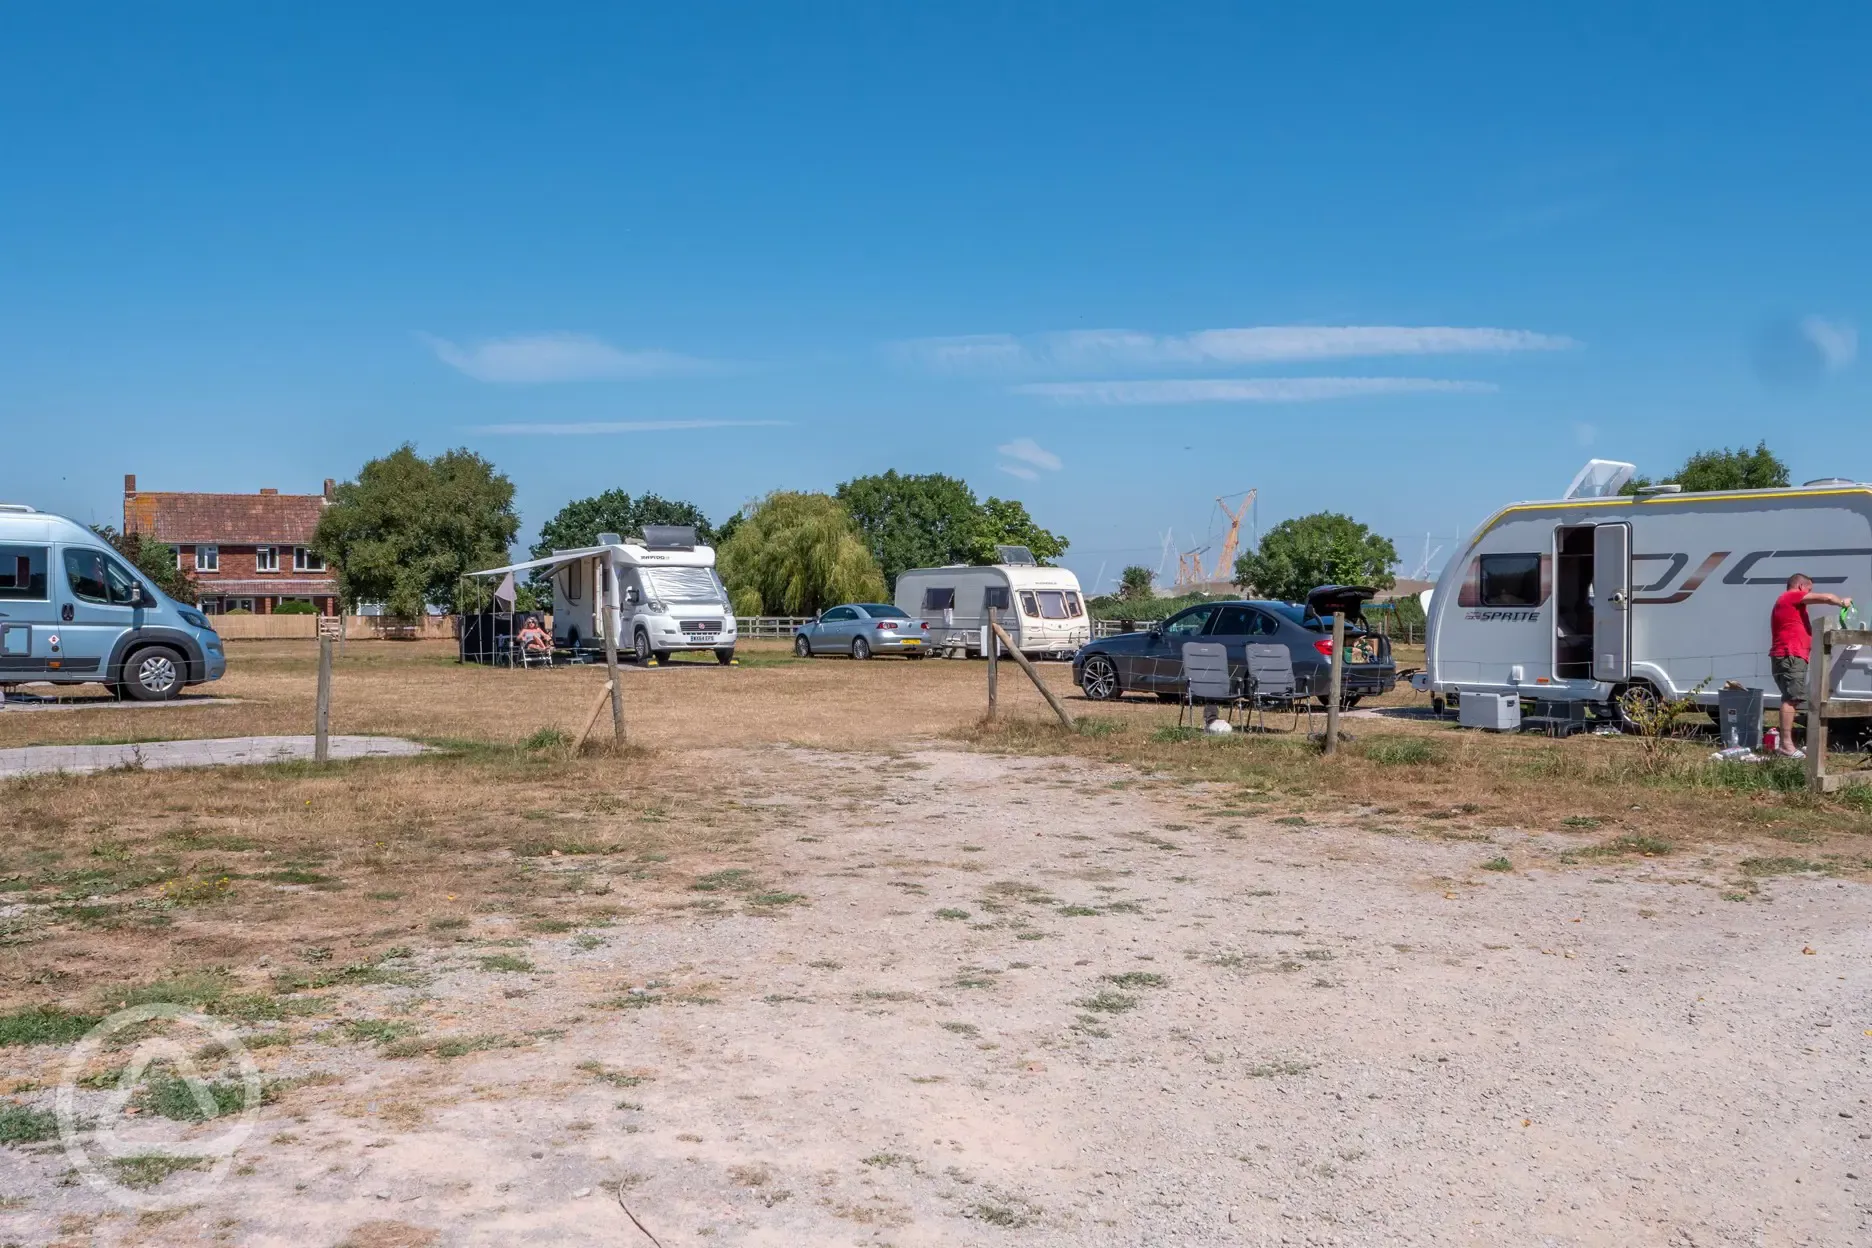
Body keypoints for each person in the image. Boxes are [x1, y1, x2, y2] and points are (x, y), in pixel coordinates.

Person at [1768, 573, 1853, 758]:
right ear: (1800, 586)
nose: (1809, 593)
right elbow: (1827, 598)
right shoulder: (1791, 596)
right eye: (1809, 589)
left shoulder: (1788, 603)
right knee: (1791, 699)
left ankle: (1793, 744)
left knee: (1793, 698)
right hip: (1790, 655)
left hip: (1789, 655)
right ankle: (1786, 746)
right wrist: (1842, 602)